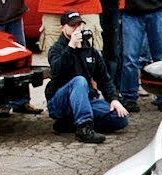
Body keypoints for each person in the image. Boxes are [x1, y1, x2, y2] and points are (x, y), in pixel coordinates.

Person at [45, 11, 128, 143]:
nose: (77, 29)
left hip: (84, 101)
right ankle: (83, 128)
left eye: (79, 25)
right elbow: (57, 70)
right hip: (60, 101)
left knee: (120, 117)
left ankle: (70, 123)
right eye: (72, 26)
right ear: (63, 28)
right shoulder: (56, 49)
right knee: (79, 81)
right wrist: (71, 47)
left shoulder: (90, 51)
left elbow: (104, 79)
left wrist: (113, 99)